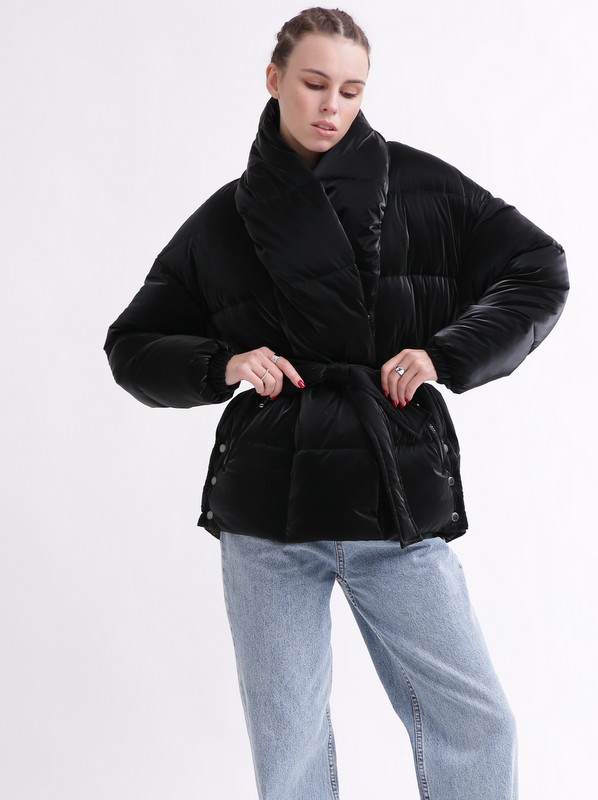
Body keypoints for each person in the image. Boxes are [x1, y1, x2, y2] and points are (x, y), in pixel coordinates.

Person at [104, 7, 568, 799]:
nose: (331, 106)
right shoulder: (224, 219)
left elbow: (539, 269)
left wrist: (447, 352)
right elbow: (132, 344)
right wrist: (222, 363)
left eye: (351, 91)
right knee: (288, 742)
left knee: (478, 721)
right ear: (274, 78)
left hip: (395, 501)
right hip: (267, 515)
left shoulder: (422, 186)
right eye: (315, 84)